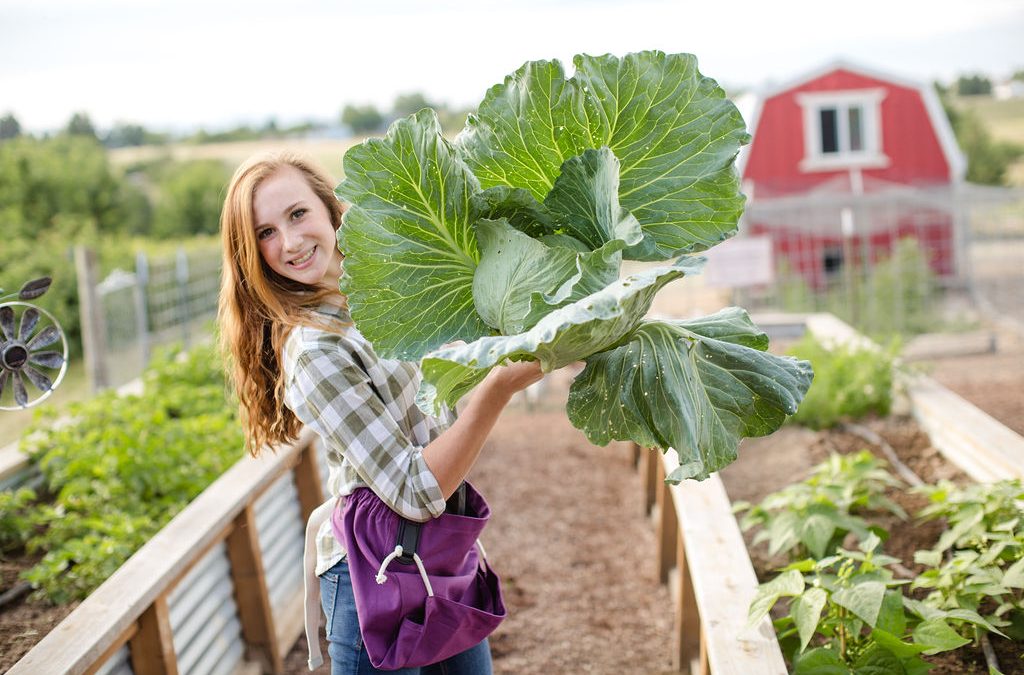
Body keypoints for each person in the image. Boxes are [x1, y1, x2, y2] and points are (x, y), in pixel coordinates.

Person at [218, 151, 544, 675]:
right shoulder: (316, 351)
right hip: (374, 574)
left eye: (298, 215)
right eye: (266, 233)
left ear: (328, 210)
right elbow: (415, 491)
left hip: (439, 552)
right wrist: (497, 390)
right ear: (251, 253)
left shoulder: (379, 300)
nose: (292, 242)